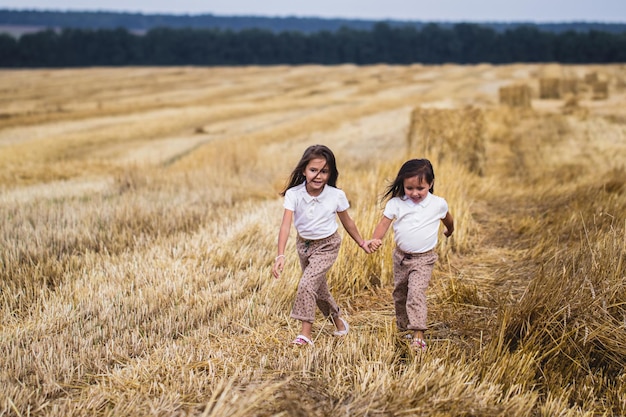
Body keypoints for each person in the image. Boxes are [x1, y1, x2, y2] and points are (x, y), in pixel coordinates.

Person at [272, 144, 374, 347]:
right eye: (313, 170)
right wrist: (280, 255)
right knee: (318, 290)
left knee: (307, 284)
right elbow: (285, 226)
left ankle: (305, 335)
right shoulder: (294, 194)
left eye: (324, 171)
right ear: (303, 170)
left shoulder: (336, 195)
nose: (318, 176)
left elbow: (347, 222)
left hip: (328, 245)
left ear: (330, 173)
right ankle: (338, 322)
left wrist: (362, 242)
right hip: (304, 245)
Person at [369, 159, 454, 351]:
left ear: (430, 184)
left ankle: (418, 335)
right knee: (400, 294)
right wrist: (376, 239)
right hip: (401, 257)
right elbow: (384, 223)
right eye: (409, 188)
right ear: (403, 185)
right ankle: (403, 329)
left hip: (424, 259)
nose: (415, 193)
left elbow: (448, 218)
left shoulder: (438, 203)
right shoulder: (396, 204)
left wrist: (450, 230)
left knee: (415, 293)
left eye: (420, 188)